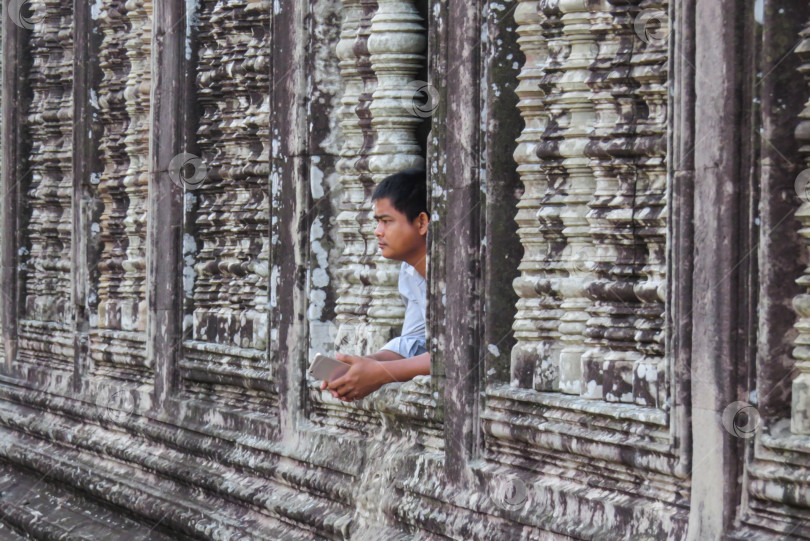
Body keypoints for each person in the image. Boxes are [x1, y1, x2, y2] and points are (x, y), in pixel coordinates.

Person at [320, 168, 430, 402]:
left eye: (386, 221)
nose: (377, 232)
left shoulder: (462, 276)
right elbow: (414, 345)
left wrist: (380, 373)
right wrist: (362, 366)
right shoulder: (411, 271)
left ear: (421, 222)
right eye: (377, 222)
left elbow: (461, 356)